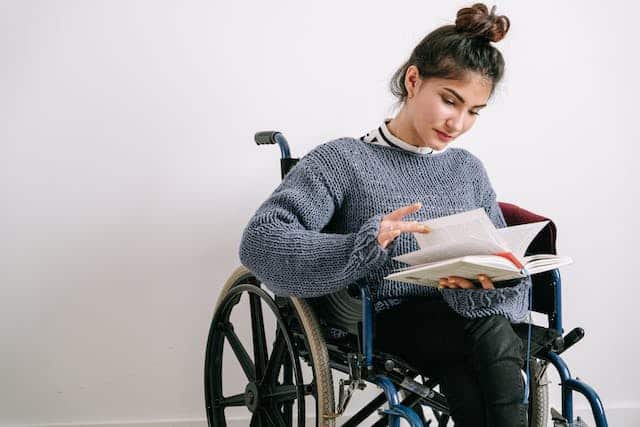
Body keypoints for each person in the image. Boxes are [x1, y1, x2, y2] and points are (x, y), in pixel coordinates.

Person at [239, 3, 529, 426]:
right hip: (381, 317)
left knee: (470, 376)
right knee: (487, 333)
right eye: (450, 101)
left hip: (459, 323)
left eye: (473, 111)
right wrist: (364, 244)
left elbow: (499, 261)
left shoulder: (467, 168)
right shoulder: (342, 159)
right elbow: (261, 240)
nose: (459, 123)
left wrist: (485, 280)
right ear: (414, 80)